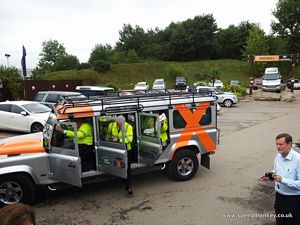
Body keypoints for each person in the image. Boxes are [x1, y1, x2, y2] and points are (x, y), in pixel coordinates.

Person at [261, 133, 300, 225]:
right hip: (279, 198)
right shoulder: (278, 156)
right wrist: (270, 176)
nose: (278, 147)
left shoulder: (298, 160)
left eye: (281, 144)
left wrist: (282, 180)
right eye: (277, 144)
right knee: (280, 221)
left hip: (294, 200)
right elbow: (276, 170)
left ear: (289, 144)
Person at [108, 115, 134, 194]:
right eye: (119, 123)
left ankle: (128, 186)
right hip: (115, 148)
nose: (121, 124)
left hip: (126, 149)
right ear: (116, 121)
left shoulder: (128, 127)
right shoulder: (111, 125)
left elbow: (129, 139)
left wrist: (118, 140)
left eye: (122, 123)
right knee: (118, 165)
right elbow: (108, 135)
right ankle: (122, 178)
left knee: (126, 168)